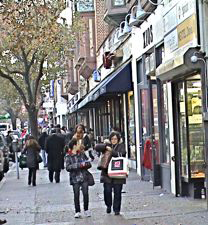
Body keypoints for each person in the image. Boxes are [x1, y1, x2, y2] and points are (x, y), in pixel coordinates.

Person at [96, 131, 126, 216]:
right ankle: (108, 205)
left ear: (118, 139)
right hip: (106, 173)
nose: (114, 140)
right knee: (107, 191)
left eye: (115, 139)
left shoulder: (121, 146)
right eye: (112, 139)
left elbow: (121, 154)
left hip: (118, 172)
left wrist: (111, 151)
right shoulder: (106, 146)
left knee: (117, 192)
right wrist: (105, 145)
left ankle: (116, 209)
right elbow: (97, 147)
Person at [66, 127, 91, 218]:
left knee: (85, 193)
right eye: (77, 144)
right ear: (73, 146)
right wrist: (78, 165)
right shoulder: (68, 156)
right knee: (76, 194)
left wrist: (86, 164)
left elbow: (88, 163)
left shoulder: (81, 153)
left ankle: (86, 209)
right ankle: (77, 211)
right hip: (74, 178)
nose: (79, 145)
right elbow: (68, 167)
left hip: (83, 176)